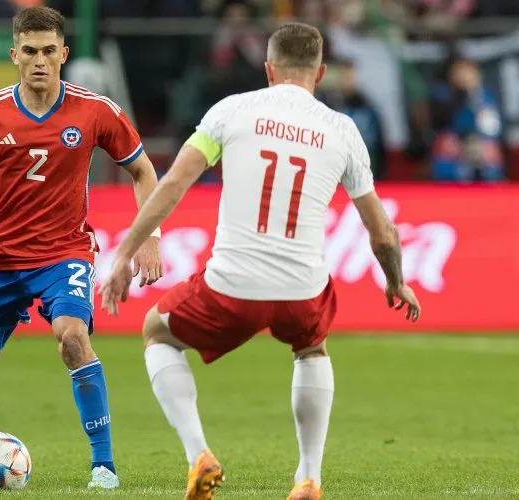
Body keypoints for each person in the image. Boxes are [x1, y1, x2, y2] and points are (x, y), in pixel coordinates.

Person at [100, 22, 421, 500]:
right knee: (312, 348)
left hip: (231, 287)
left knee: (156, 333)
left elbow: (172, 184)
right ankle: (308, 478)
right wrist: (396, 282)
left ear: (269, 69)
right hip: (302, 290)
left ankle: (199, 456)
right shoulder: (342, 130)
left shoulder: (232, 111)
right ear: (321, 72)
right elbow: (383, 233)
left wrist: (126, 252)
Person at [0, 6, 162, 490]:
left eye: (49, 51)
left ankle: (104, 467)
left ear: (64, 54)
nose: (39, 61)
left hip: (65, 253)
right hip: (1, 259)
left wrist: (150, 238)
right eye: (29, 51)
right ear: (14, 55)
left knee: (73, 337)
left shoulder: (95, 110)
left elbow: (143, 171)